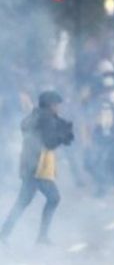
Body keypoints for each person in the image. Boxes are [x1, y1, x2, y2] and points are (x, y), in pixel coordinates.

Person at [0, 90, 74, 245]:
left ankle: (4, 234)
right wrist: (63, 135)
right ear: (50, 105)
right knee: (54, 198)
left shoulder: (36, 116)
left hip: (30, 166)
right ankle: (41, 237)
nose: (58, 108)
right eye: (56, 105)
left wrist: (63, 130)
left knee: (23, 202)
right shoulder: (46, 119)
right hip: (38, 167)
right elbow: (49, 142)